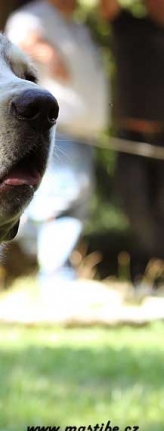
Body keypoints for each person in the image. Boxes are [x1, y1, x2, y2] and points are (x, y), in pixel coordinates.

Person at [5, 0, 110, 284]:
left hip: (83, 132)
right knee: (59, 203)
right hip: (56, 130)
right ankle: (57, 277)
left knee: (73, 206)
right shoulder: (33, 16)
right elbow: (17, 47)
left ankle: (49, 265)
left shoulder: (77, 26)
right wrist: (45, 51)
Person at [100, 0, 164, 262]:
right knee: (136, 207)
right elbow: (106, 7)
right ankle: (152, 266)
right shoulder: (128, 24)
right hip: (131, 137)